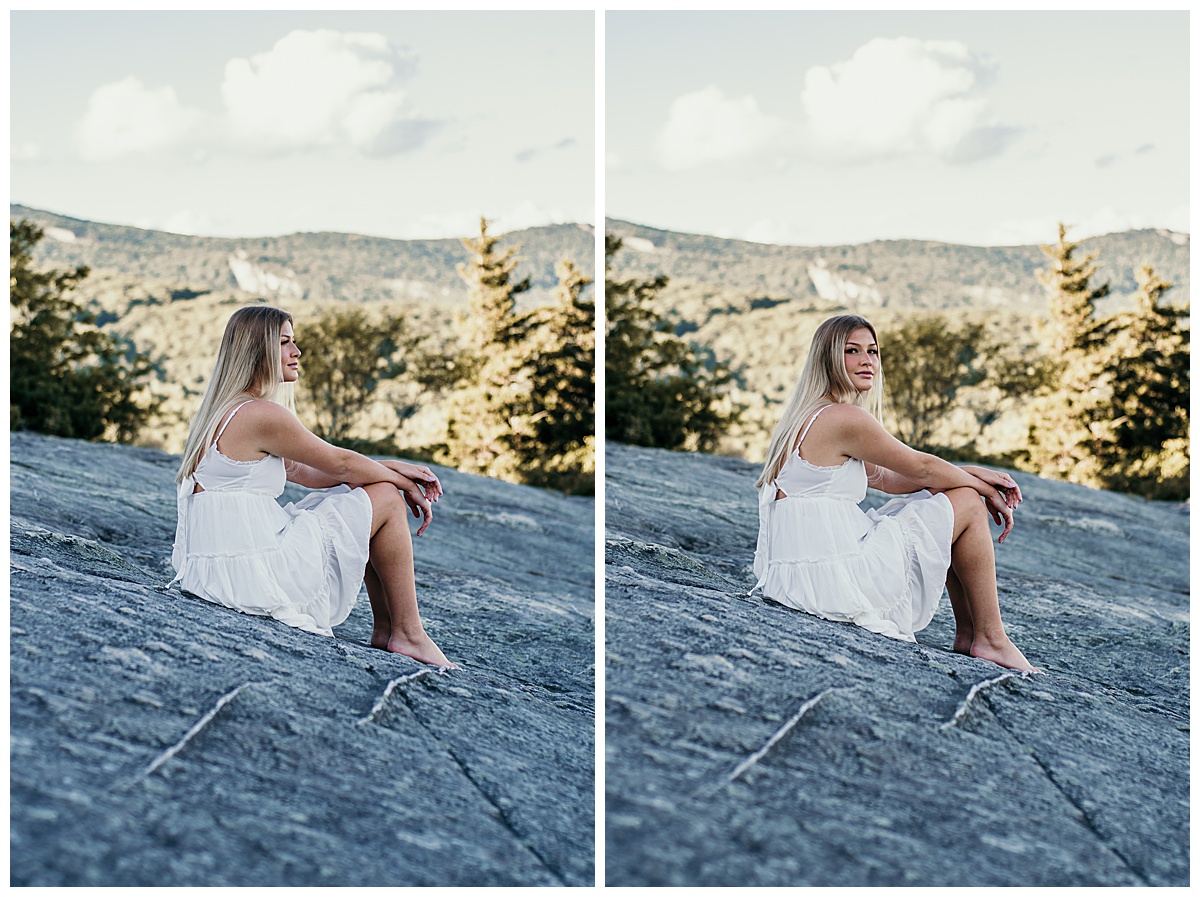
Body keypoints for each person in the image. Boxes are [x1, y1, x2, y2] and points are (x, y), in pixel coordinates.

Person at [168, 305, 455, 668]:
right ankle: (408, 633)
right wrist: (400, 483)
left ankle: (388, 631)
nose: (296, 351)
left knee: (364, 493)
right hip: (251, 572)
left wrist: (388, 467)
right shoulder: (261, 414)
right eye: (285, 342)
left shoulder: (225, 410)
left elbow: (308, 473)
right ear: (259, 351)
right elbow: (340, 463)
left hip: (217, 569)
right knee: (383, 496)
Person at [753, 314, 1037, 672]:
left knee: (945, 498)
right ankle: (990, 638)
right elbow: (921, 469)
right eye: (852, 351)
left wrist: (970, 473)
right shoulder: (844, 418)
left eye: (872, 351)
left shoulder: (809, 414)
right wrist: (982, 489)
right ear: (828, 357)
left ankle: (970, 636)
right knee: (965, 502)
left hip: (798, 577)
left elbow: (889, 478)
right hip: (833, 578)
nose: (867, 360)